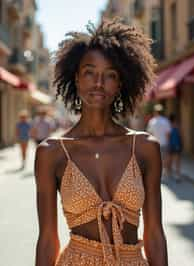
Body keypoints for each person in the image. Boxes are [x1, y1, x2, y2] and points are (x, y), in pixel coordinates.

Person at [35, 18, 168, 266]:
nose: (98, 83)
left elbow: (155, 235)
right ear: (76, 77)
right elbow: (47, 240)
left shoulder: (145, 148)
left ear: (120, 84)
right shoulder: (51, 153)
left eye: (110, 75)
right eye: (89, 73)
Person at [146, 104, 171, 179]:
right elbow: (168, 133)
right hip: (164, 143)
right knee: (165, 158)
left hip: (155, 143)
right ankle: (165, 173)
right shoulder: (165, 121)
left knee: (156, 159)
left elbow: (150, 134)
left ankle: (158, 173)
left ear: (155, 112)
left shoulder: (152, 121)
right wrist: (168, 142)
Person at [168, 114, 182, 182]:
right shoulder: (177, 126)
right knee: (177, 161)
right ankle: (177, 175)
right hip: (177, 145)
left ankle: (170, 173)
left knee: (170, 160)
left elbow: (167, 136)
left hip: (170, 145)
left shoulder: (168, 126)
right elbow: (181, 135)